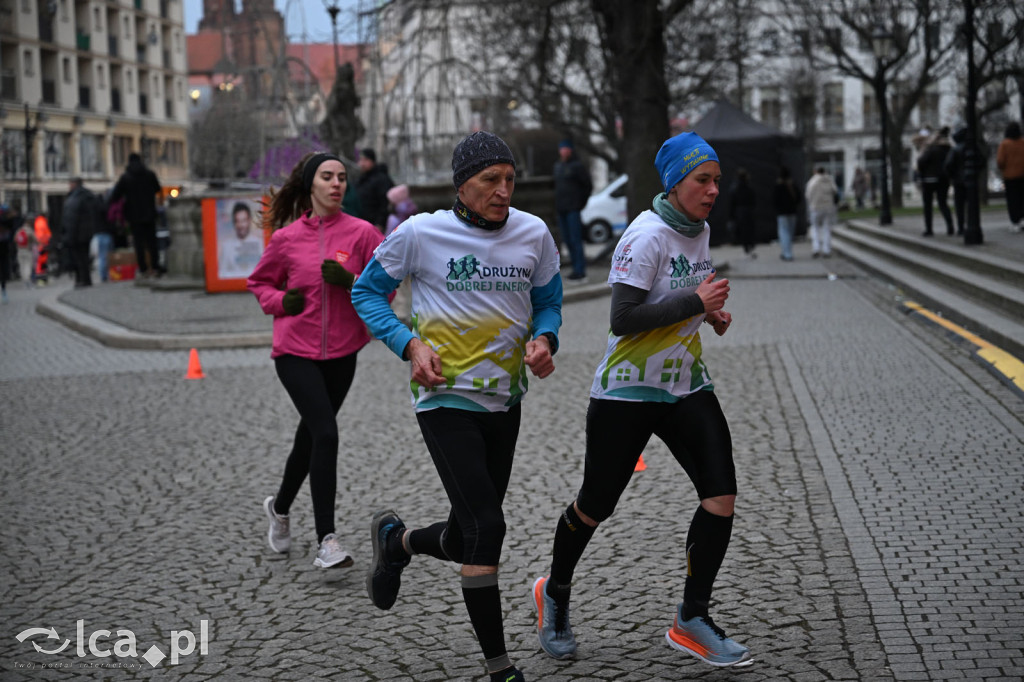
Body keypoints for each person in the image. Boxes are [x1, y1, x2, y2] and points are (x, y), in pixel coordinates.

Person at [529, 131, 749, 668]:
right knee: (594, 506)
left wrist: (707, 313)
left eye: (717, 180)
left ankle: (691, 618)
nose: (713, 189)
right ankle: (553, 594)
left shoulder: (698, 229)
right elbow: (623, 319)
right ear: (675, 182)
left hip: (685, 384)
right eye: (703, 180)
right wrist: (693, 299)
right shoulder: (645, 236)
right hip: (627, 390)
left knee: (721, 496)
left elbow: (680, 295)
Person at [351, 131, 563, 682]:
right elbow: (366, 292)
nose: (503, 190)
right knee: (488, 526)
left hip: (504, 400)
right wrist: (409, 343)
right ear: (462, 184)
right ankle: (500, 667)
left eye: (510, 179)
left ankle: (397, 543)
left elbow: (548, 301)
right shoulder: (420, 233)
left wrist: (545, 339)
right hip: (442, 397)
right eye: (490, 179)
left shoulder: (533, 233)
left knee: (468, 530)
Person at [247, 151, 386, 570]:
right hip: (294, 351)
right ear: (311, 185)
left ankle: (280, 508)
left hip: (343, 353)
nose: (336, 183)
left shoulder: (364, 234)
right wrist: (279, 301)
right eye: (327, 177)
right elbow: (259, 282)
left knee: (310, 436)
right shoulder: (286, 239)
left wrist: (353, 282)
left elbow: (387, 287)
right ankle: (328, 541)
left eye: (342, 177)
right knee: (325, 433)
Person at [110, 152, 162, 277]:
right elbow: (157, 189)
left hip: (134, 216)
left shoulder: (126, 177)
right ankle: (155, 266)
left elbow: (115, 195)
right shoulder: (150, 174)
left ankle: (143, 268)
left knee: (138, 243)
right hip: (149, 214)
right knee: (152, 242)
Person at [553, 138, 593, 284]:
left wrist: (580, 203)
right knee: (567, 240)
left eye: (565, 149)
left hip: (573, 209)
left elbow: (587, 186)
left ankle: (580, 271)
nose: (563, 152)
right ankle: (575, 269)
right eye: (561, 149)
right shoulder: (558, 166)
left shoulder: (577, 166)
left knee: (576, 240)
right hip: (561, 208)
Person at [62, 177, 100, 288]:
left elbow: (73, 217)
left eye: (70, 183)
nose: (69, 185)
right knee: (79, 257)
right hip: (78, 232)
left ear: (75, 184)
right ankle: (81, 279)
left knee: (81, 258)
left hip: (79, 233)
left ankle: (84, 279)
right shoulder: (78, 196)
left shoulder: (80, 197)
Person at [916, 127, 954, 236]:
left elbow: (921, 162)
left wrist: (925, 148)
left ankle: (929, 229)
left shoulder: (932, 150)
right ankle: (950, 226)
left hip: (929, 179)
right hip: (944, 180)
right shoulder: (949, 150)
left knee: (928, 205)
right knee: (943, 203)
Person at [218, 201, 264, 279]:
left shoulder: (260, 244)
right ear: (234, 223)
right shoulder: (226, 246)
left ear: (249, 221)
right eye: (237, 221)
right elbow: (222, 273)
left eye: (243, 221)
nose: (241, 225)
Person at [355, 147, 394, 231]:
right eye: (360, 160)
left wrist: (380, 223)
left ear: (372, 161)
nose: (362, 163)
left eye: (365, 160)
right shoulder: (361, 179)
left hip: (375, 225)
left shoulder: (381, 179)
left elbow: (385, 203)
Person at [996, 121, 1024, 233]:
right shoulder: (1022, 142)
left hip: (1010, 176)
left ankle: (1015, 222)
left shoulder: (1005, 144)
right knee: (1022, 199)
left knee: (1012, 200)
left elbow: (1000, 161)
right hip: (1022, 176)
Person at [804, 167, 838, 258]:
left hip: (815, 208)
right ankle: (826, 250)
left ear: (816, 172)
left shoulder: (812, 181)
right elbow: (835, 191)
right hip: (828, 207)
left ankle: (816, 248)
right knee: (826, 229)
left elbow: (808, 195)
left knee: (815, 228)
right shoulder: (830, 180)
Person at [944, 127, 970, 236]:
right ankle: (969, 224)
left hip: (958, 181)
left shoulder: (955, 149)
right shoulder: (970, 148)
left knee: (959, 205)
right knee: (970, 204)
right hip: (968, 180)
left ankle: (961, 227)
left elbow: (948, 165)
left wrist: (952, 176)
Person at [728, 167, 757, 257]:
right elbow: (753, 200)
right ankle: (749, 244)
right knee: (749, 229)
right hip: (748, 210)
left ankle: (746, 246)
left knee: (743, 229)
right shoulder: (749, 187)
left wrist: (731, 214)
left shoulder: (735, 188)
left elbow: (732, 202)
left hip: (739, 211)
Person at [773, 166, 799, 261]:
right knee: (790, 233)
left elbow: (775, 199)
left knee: (784, 233)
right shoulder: (792, 185)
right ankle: (788, 252)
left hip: (782, 213)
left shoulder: (778, 186)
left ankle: (786, 252)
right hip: (792, 212)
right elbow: (798, 198)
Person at [93, 190, 118, 283]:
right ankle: (106, 275)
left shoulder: (95, 207)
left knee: (103, 255)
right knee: (105, 255)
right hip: (105, 232)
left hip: (101, 232)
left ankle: (105, 275)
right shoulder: (104, 206)